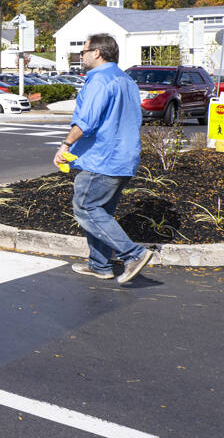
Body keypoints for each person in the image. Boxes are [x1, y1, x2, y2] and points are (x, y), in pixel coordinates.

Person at [54, 33, 153, 284]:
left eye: (84, 52)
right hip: (124, 158)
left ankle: (134, 254)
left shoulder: (99, 80)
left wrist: (65, 145)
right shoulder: (126, 80)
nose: (81, 56)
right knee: (101, 213)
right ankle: (100, 265)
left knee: (86, 208)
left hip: (100, 158)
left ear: (97, 53)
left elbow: (86, 122)